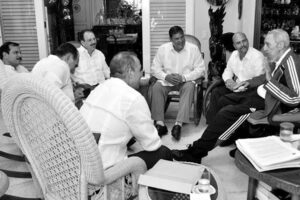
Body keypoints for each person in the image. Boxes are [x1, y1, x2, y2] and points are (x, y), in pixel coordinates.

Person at [80, 52, 172, 193]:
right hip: (105, 172)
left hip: (81, 166)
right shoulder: (133, 98)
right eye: (140, 69)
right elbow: (151, 145)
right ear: (130, 72)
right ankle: (158, 194)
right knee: (164, 152)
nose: (142, 73)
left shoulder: (98, 89)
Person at [150, 26, 205, 140]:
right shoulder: (163, 49)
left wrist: (184, 78)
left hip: (185, 81)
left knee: (190, 87)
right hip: (167, 81)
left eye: (182, 37)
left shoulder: (193, 49)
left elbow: (201, 70)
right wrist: (166, 76)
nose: (180, 41)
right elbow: (154, 69)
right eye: (176, 39)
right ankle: (160, 124)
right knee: (156, 87)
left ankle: (178, 124)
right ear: (171, 40)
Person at [206, 32, 266, 124]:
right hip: (236, 87)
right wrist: (229, 81)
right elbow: (227, 71)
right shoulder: (234, 55)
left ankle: (223, 124)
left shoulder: (257, 56)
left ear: (247, 40)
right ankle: (212, 124)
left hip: (250, 90)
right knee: (216, 92)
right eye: (238, 43)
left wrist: (243, 85)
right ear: (234, 45)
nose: (242, 45)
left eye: (244, 41)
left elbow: (260, 79)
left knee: (224, 99)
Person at [247, 29, 300, 125]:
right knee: (227, 101)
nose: (264, 49)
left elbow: (295, 98)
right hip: (266, 98)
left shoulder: (291, 62)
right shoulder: (279, 59)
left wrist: (269, 80)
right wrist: (249, 83)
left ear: (280, 45)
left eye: (268, 44)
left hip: (275, 108)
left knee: (229, 111)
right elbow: (265, 78)